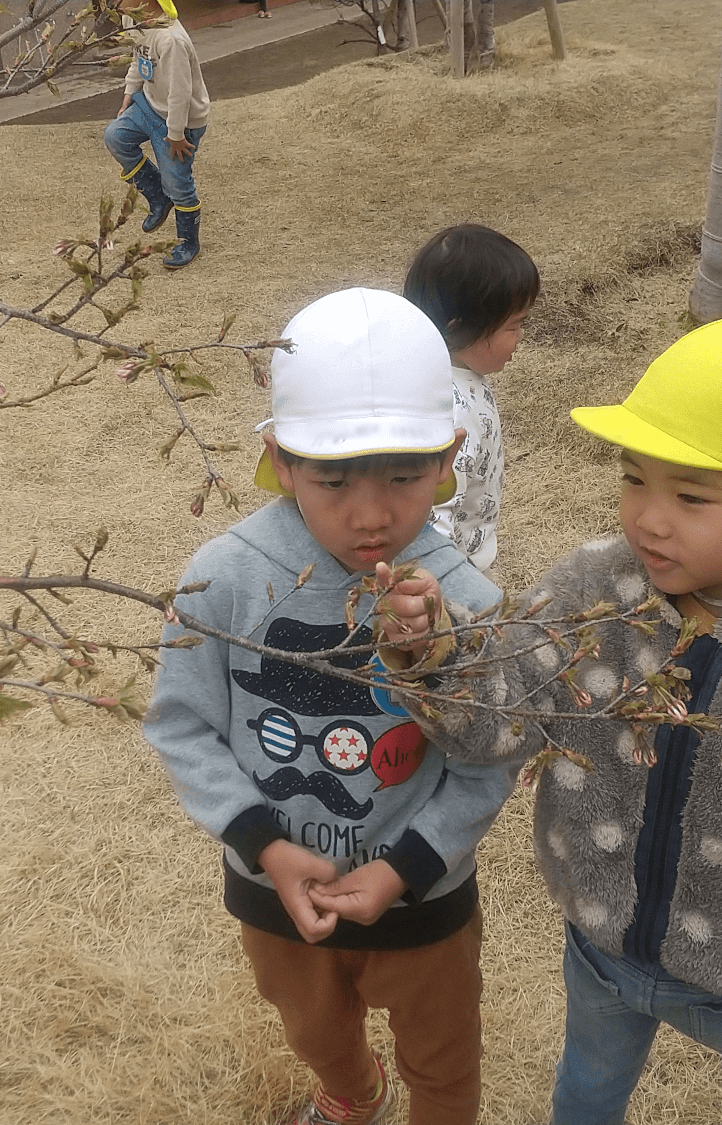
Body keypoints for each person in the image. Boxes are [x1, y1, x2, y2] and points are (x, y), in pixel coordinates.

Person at [378, 315, 722, 1125]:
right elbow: (497, 724)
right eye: (635, 477)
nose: (648, 517)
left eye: (691, 495)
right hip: (602, 944)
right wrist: (431, 655)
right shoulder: (590, 590)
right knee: (587, 1090)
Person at [143, 288, 517, 1125]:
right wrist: (263, 846)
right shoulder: (226, 576)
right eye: (333, 476)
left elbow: (491, 756)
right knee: (313, 1027)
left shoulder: (466, 597)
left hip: (421, 897)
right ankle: (354, 1093)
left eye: (405, 474)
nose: (372, 512)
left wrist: (405, 867)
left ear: (451, 455)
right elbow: (182, 721)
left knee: (446, 1057)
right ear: (279, 458)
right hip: (278, 890)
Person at [402, 224, 540, 575]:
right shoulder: (449, 414)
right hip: (453, 574)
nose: (521, 337)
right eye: (513, 326)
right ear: (457, 327)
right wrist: (448, 587)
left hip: (468, 556)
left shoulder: (459, 375)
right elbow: (437, 512)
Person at [105, 0, 210, 268]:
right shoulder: (132, 20)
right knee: (116, 136)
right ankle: (157, 195)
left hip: (180, 121)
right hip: (150, 105)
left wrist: (175, 134)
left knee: (178, 182)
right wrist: (130, 92)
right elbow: (136, 59)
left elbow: (180, 93)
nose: (113, 3)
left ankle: (188, 241)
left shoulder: (171, 40)